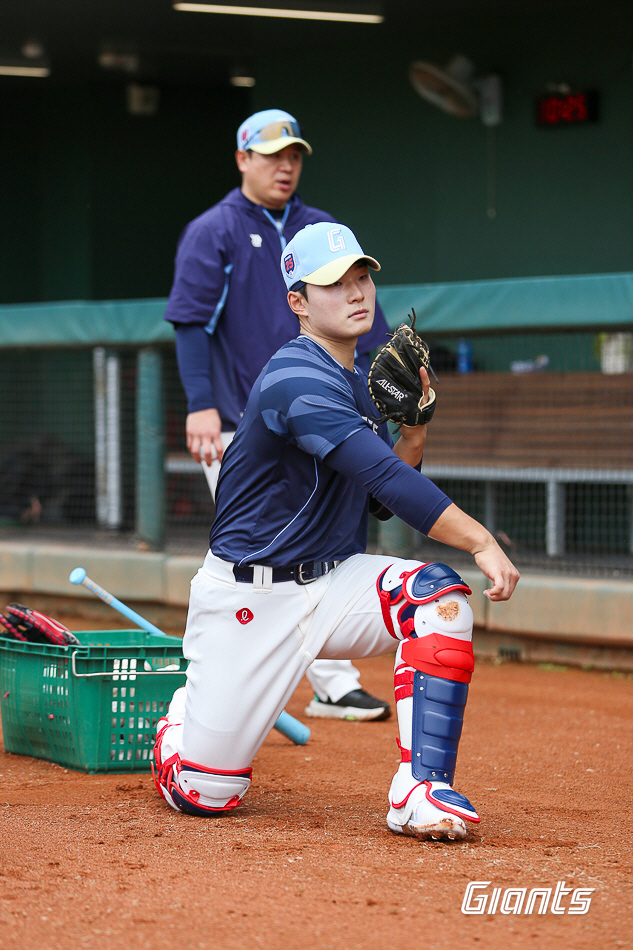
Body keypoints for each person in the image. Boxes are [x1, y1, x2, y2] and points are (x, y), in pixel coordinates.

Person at [153, 222, 520, 841]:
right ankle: (183, 722)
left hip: (331, 583)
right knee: (208, 792)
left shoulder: (356, 382)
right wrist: (481, 539)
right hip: (250, 599)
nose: (356, 292)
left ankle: (420, 790)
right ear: (297, 302)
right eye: (333, 283)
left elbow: (376, 500)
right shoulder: (297, 378)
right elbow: (383, 478)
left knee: (437, 596)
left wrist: (415, 433)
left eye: (361, 277)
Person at [165, 108, 392, 722]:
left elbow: (365, 326)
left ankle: (333, 681)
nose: (285, 165)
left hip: (329, 419)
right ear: (243, 159)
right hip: (246, 426)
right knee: (263, 554)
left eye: (293, 155)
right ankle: (218, 685)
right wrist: (200, 404)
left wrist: (388, 404)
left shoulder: (322, 229)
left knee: (338, 542)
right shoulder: (214, 229)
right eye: (271, 155)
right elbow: (190, 322)